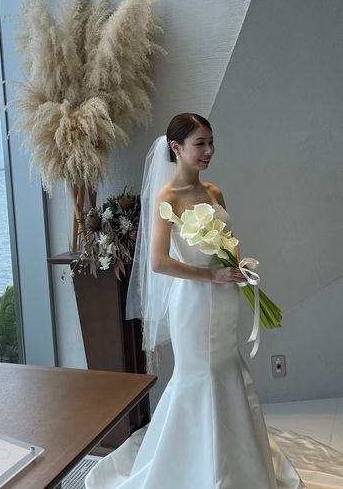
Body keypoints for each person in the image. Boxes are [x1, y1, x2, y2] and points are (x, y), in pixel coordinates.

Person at [85, 113, 305, 488]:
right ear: (176, 147)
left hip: (225, 298)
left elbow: (230, 241)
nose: (209, 151)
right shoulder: (166, 199)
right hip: (193, 302)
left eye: (211, 142)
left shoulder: (214, 191)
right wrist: (212, 275)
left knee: (228, 369)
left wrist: (236, 265)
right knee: (198, 376)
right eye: (200, 143)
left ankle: (242, 468)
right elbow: (158, 262)